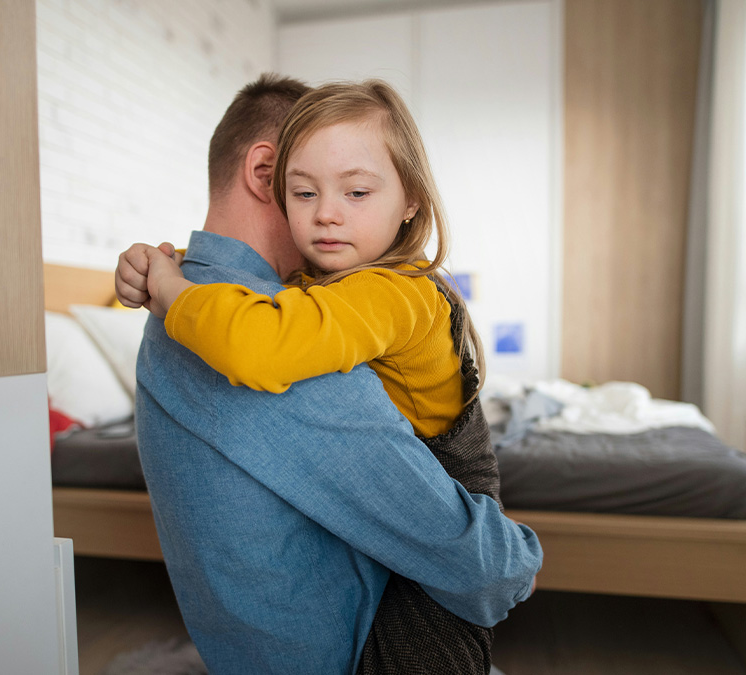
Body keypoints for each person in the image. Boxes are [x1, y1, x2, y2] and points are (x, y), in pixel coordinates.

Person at [114, 74, 542, 675]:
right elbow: (485, 568)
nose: (327, 218)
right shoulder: (256, 328)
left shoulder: (193, 304)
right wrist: (518, 560)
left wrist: (169, 275)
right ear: (269, 176)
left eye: (357, 191)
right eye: (305, 191)